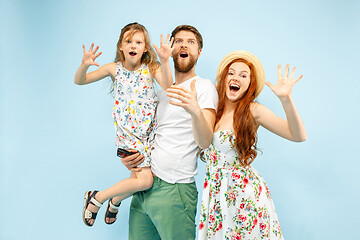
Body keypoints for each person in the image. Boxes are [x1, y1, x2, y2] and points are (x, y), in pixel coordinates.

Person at [120, 25, 218, 239]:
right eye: (179, 41)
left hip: (174, 190)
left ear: (199, 52)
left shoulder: (204, 87)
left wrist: (195, 111)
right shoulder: (159, 91)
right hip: (144, 186)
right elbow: (147, 135)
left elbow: (205, 141)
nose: (184, 44)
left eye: (191, 42)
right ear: (171, 49)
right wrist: (132, 160)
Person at [198, 51, 307, 239]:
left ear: (249, 84)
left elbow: (298, 135)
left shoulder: (252, 110)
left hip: (242, 195)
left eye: (243, 75)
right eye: (231, 73)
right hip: (215, 193)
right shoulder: (213, 111)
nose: (236, 78)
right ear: (224, 79)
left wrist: (285, 99)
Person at [74, 22, 174, 227]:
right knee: (145, 182)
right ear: (121, 46)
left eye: (138, 42)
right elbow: (80, 80)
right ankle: (97, 197)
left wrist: (165, 61)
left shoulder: (151, 68)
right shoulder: (114, 69)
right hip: (128, 134)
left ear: (145, 47)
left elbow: (168, 87)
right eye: (128, 41)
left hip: (148, 134)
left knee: (136, 180)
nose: (133, 45)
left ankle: (115, 200)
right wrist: (84, 64)